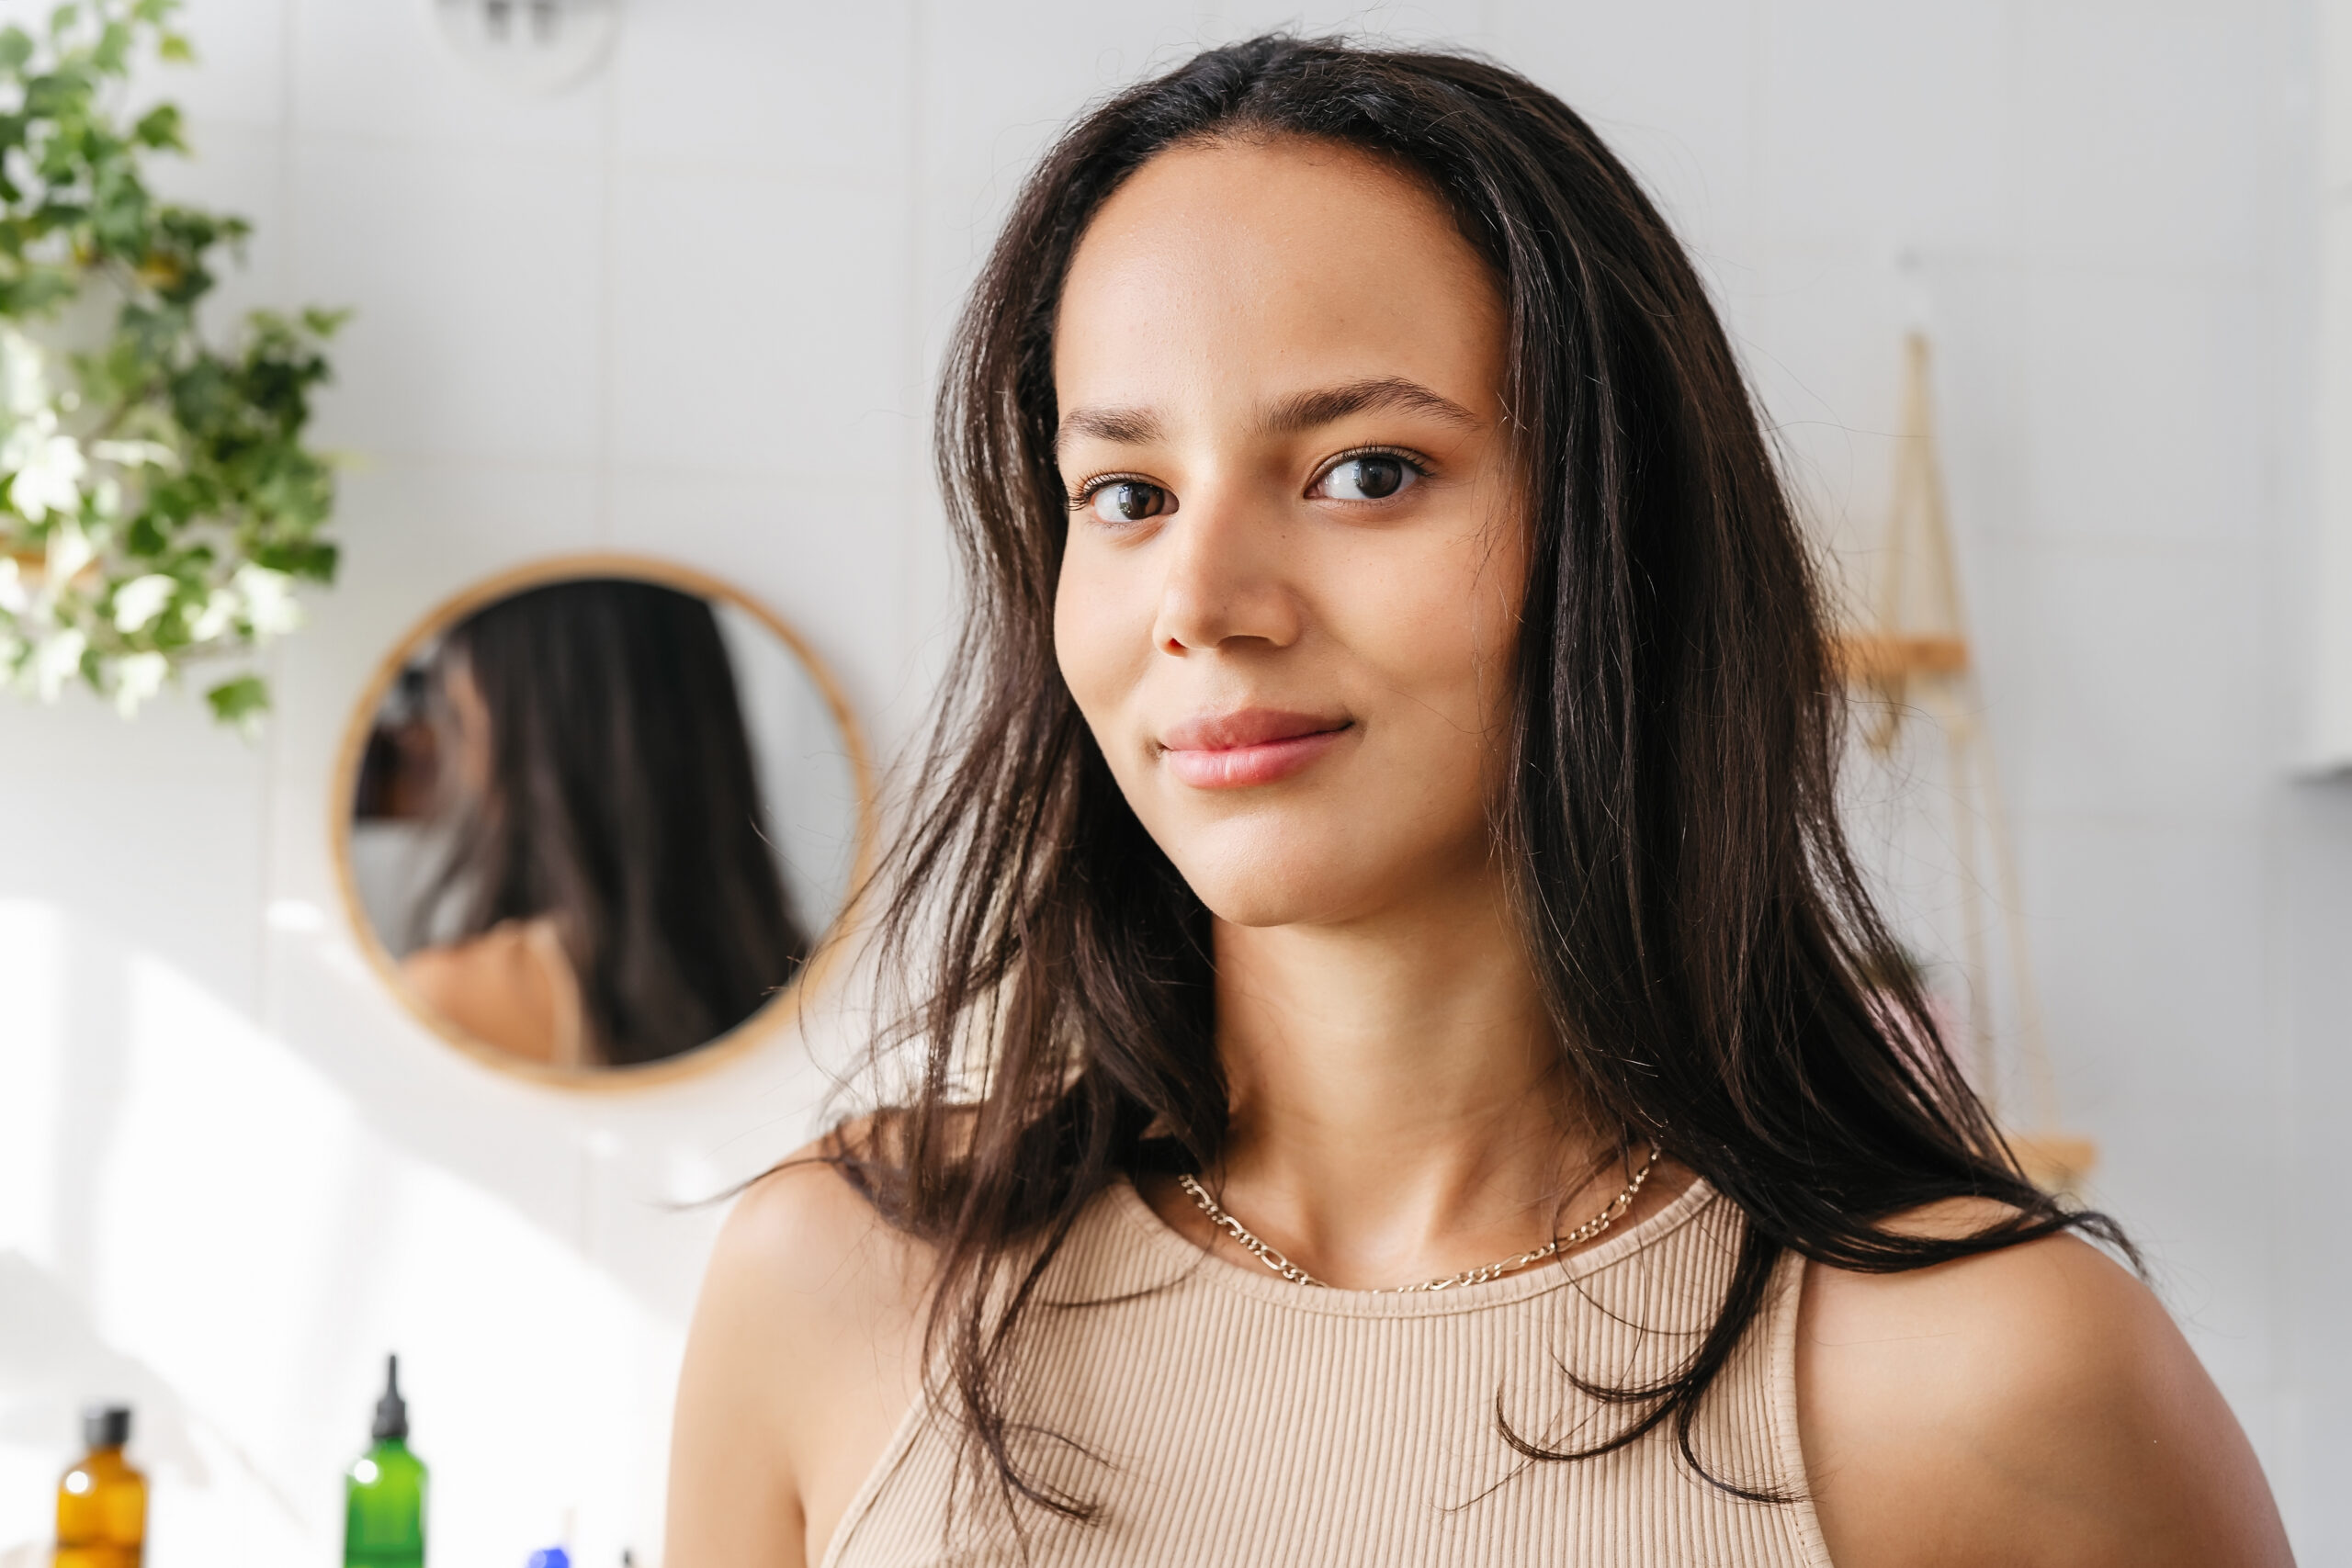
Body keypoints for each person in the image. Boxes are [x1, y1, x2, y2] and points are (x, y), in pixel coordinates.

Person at [664, 36, 2290, 1567]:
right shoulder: (838, 1286)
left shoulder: (1998, 1380)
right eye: (1128, 495)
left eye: (1365, 470)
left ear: (1619, 540)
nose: (1205, 598)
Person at [401, 577, 809, 1067]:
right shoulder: (814, 984)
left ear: (529, 739)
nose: (467, 768)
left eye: (464, 721)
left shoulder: (448, 999)